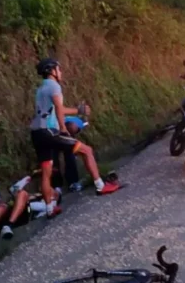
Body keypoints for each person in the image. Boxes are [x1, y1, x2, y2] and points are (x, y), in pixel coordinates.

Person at [30, 58, 120, 215]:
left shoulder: (41, 89)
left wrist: (78, 110)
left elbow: (57, 109)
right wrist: (63, 128)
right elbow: (58, 109)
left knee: (46, 170)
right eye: (59, 69)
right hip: (50, 131)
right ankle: (100, 186)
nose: (61, 71)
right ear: (52, 71)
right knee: (86, 150)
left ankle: (50, 208)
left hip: (37, 132)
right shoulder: (54, 86)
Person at [0, 176, 63, 251]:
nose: (48, 187)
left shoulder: (49, 203)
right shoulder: (36, 195)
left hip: (26, 214)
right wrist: (26, 180)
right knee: (2, 207)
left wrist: (26, 198)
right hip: (15, 210)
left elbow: (35, 207)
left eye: (51, 189)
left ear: (55, 196)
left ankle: (8, 225)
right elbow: (13, 190)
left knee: (22, 194)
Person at [51, 116, 87, 192]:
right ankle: (66, 183)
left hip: (57, 129)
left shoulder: (73, 121)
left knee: (62, 156)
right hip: (57, 129)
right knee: (59, 157)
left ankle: (62, 185)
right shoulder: (77, 124)